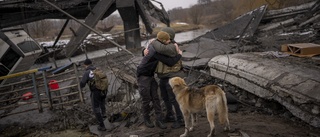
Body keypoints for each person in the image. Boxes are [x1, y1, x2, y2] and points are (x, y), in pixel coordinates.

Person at [137, 31, 183, 129]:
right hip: (143, 75)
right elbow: (169, 62)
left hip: (150, 75)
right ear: (162, 41)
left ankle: (159, 119)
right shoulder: (155, 50)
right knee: (146, 99)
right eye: (167, 40)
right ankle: (147, 119)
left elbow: (168, 44)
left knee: (156, 97)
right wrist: (179, 55)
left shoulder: (159, 46)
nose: (169, 41)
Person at [80, 58, 107, 131]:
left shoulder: (87, 72)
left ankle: (102, 126)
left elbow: (82, 84)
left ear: (85, 65)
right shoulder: (97, 69)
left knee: (96, 108)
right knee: (102, 103)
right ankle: (104, 116)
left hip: (96, 91)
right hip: (104, 90)